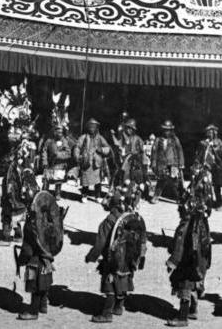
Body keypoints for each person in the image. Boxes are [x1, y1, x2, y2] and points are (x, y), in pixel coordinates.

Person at [85, 185, 147, 323]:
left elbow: (100, 243)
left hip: (113, 259)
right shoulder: (132, 218)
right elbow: (142, 239)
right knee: (124, 279)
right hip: (128, 259)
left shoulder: (108, 222)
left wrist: (91, 256)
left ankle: (107, 314)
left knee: (110, 284)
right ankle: (119, 307)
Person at [165, 166, 214, 326]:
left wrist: (172, 261)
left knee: (184, 287)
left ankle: (182, 317)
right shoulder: (202, 223)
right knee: (194, 285)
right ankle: (193, 310)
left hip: (187, 262)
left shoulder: (186, 225)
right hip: (199, 262)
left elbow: (179, 245)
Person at [15, 190, 65, 321]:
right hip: (47, 259)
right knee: (44, 282)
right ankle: (43, 306)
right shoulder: (47, 220)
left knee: (35, 286)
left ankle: (33, 311)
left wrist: (22, 260)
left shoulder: (31, 225)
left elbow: (27, 248)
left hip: (35, 260)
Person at [75, 118, 112, 202]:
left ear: (96, 128)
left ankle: (97, 196)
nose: (92, 128)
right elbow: (77, 147)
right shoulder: (83, 137)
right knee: (85, 180)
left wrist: (101, 150)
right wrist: (77, 156)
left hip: (97, 163)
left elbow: (108, 148)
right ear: (88, 127)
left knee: (97, 181)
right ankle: (84, 195)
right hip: (86, 161)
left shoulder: (100, 138)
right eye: (90, 126)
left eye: (93, 127)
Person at [150, 120, 185, 203]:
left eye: (168, 130)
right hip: (162, 164)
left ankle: (179, 198)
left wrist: (181, 163)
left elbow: (180, 151)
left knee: (175, 182)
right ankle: (156, 196)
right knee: (161, 180)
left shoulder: (175, 140)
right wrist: (153, 164)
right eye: (165, 130)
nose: (166, 132)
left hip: (173, 163)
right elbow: (154, 153)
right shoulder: (158, 140)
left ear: (171, 130)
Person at [193, 124, 222, 205]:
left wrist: (215, 148)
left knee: (217, 185)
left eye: (211, 132)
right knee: (204, 183)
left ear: (215, 133)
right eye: (208, 132)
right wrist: (196, 163)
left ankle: (219, 202)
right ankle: (205, 201)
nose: (209, 134)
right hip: (205, 166)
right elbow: (198, 154)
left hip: (216, 166)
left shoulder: (219, 142)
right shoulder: (203, 143)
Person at [41, 125, 72, 198]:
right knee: (46, 178)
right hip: (49, 163)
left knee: (58, 179)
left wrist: (59, 155)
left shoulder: (64, 141)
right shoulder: (49, 141)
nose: (59, 134)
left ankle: (57, 193)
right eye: (57, 132)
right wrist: (44, 161)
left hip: (59, 164)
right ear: (54, 132)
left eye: (61, 132)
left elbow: (68, 153)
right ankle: (44, 192)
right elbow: (44, 151)